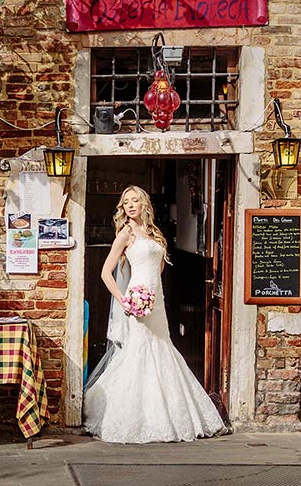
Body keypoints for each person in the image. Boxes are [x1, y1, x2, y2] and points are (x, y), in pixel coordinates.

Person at [83, 185, 225, 443]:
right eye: (126, 202)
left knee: (163, 346)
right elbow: (105, 273)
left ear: (144, 204)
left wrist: (150, 295)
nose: (130, 205)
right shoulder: (125, 234)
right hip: (136, 303)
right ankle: (136, 414)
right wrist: (126, 299)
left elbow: (157, 269)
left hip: (155, 302)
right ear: (122, 208)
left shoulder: (153, 233)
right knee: (140, 350)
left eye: (135, 200)